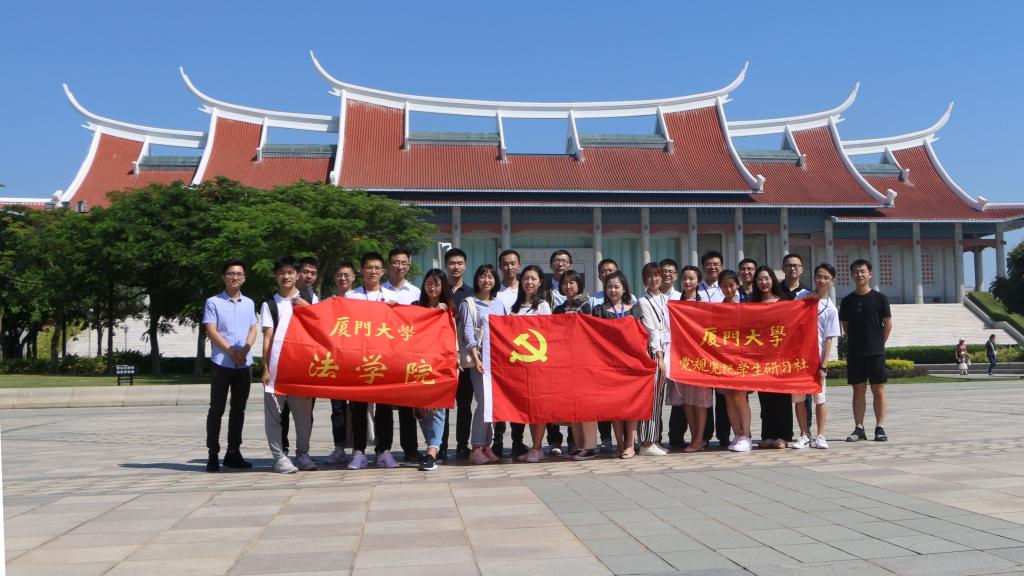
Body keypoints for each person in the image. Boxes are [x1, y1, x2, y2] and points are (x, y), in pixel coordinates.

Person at [260, 256, 315, 473]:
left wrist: (306, 307)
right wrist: (265, 368)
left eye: (290, 272)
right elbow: (267, 337)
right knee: (274, 416)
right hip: (277, 369)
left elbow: (319, 328)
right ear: (276, 276)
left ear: (297, 275)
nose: (286, 276)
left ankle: (303, 454)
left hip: (301, 369)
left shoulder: (309, 299)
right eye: (282, 272)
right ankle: (279, 457)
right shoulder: (270, 305)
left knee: (303, 417)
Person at [345, 252, 401, 469]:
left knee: (384, 408)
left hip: (384, 359)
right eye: (369, 267)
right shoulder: (351, 296)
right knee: (359, 407)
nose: (373, 271)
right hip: (358, 359)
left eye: (377, 268)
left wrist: (397, 311)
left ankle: (384, 451)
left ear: (383, 271)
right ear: (361, 270)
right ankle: (359, 452)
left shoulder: (391, 297)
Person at [203, 259, 259, 472]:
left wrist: (244, 350)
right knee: (216, 408)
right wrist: (231, 351)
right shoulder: (213, 302)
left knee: (238, 409)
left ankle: (233, 453)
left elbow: (253, 329)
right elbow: (212, 330)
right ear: (223, 277)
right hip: (222, 363)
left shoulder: (249, 303)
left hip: (244, 364)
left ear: (244, 278)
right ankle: (213, 453)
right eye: (231, 274)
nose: (235, 277)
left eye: (239, 274)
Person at [839, 259, 892, 443]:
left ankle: (880, 427)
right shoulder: (847, 301)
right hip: (855, 352)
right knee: (858, 390)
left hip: (875, 352)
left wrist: (878, 343)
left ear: (870, 274)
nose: (859, 274)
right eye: (856, 271)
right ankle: (859, 428)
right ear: (852, 275)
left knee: (878, 389)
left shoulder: (880, 298)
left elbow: (888, 324)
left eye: (862, 271)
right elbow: (846, 326)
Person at [592, 271, 642, 458]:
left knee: (631, 405)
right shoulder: (599, 310)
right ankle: (619, 444)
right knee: (616, 405)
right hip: (609, 364)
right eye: (609, 287)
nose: (613, 290)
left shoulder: (634, 309)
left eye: (616, 286)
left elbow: (641, 335)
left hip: (631, 364)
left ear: (624, 289)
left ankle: (630, 444)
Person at [791, 263, 840, 449]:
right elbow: (790, 316)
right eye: (819, 276)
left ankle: (820, 435)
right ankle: (803, 434)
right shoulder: (802, 296)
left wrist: (823, 366)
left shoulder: (831, 309)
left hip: (816, 360)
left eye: (826, 278)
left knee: (819, 398)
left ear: (832, 281)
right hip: (799, 358)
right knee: (799, 399)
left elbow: (829, 340)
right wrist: (807, 299)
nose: (822, 280)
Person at [462, 264, 507, 465]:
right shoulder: (469, 303)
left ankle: (487, 445)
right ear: (477, 279)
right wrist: (477, 358)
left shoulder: (499, 304)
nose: (487, 280)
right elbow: (468, 334)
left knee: (492, 404)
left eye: (490, 276)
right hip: (480, 361)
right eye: (483, 276)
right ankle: (476, 447)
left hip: (498, 361)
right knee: (483, 403)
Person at [382, 248, 423, 464]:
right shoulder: (380, 292)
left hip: (408, 355)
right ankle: (383, 449)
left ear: (408, 265)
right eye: (395, 262)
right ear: (389, 265)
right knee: (384, 405)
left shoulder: (415, 292)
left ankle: (411, 449)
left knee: (408, 405)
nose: (399, 267)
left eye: (404, 263)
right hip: (385, 354)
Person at [511, 265, 554, 462]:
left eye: (533, 279)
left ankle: (537, 447)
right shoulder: (515, 307)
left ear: (540, 282)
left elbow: (548, 333)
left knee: (539, 407)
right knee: (528, 407)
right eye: (526, 278)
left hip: (538, 365)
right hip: (520, 365)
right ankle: (535, 447)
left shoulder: (542, 306)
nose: (529, 282)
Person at [280, 256, 321, 457]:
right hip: (285, 360)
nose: (309, 276)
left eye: (313, 273)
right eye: (305, 272)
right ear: (297, 274)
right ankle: (282, 450)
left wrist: (307, 306)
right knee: (282, 411)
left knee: (306, 411)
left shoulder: (314, 299)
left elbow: (320, 324)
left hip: (307, 364)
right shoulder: (282, 297)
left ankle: (303, 451)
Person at [554, 270, 597, 460]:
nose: (568, 286)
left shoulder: (585, 306)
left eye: (572, 282)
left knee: (586, 404)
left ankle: (590, 446)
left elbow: (590, 332)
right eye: (565, 283)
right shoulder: (558, 309)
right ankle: (579, 445)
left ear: (579, 285)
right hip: (565, 362)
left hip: (583, 361)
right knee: (573, 406)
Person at [415, 269, 455, 471]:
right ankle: (432, 445)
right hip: (417, 365)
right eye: (429, 283)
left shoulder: (449, 310)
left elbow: (454, 337)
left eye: (437, 284)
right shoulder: (415, 307)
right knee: (420, 410)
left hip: (441, 365)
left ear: (443, 287)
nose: (433, 288)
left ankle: (432, 450)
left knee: (438, 408)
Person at [752, 266, 793, 449]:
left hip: (781, 357)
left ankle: (783, 435)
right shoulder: (753, 304)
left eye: (767, 278)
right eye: (760, 279)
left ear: (773, 280)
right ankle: (768, 435)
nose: (764, 282)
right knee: (765, 398)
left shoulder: (784, 301)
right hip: (761, 358)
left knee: (782, 398)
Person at [492, 252, 528, 459]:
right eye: (505, 264)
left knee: (519, 398)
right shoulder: (495, 291)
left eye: (513, 263)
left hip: (521, 353)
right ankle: (497, 440)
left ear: (519, 265)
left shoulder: (525, 289)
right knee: (499, 398)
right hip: (499, 353)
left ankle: (518, 440)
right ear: (500, 266)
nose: (509, 267)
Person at [676, 265, 713, 453]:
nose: (687, 282)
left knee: (700, 400)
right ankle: (694, 438)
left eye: (691, 278)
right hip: (682, 357)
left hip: (700, 357)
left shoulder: (704, 303)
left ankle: (700, 438)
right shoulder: (675, 303)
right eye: (684, 278)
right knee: (687, 400)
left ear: (698, 282)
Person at [323, 260, 356, 466]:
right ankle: (339, 448)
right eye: (339, 275)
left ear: (353, 277)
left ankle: (359, 448)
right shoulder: (328, 302)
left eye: (346, 275)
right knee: (337, 409)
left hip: (357, 362)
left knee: (359, 408)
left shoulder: (361, 300)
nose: (343, 278)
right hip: (335, 362)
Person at [718, 270, 753, 452]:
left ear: (738, 285)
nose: (728, 289)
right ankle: (737, 433)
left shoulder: (746, 305)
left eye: (731, 285)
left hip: (743, 359)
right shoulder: (718, 308)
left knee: (740, 396)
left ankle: (746, 435)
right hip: (724, 360)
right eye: (724, 286)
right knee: (729, 398)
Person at [443, 248, 473, 460]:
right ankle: (441, 445)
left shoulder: (471, 293)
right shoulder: (437, 290)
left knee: (465, 405)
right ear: (446, 265)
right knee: (441, 405)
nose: (456, 267)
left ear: (465, 266)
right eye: (452, 263)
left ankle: (463, 444)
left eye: (460, 263)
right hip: (442, 358)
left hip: (464, 359)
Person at [637, 262, 669, 456]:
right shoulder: (643, 301)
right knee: (651, 397)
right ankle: (646, 442)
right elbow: (652, 330)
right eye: (649, 276)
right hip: (654, 352)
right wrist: (659, 357)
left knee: (658, 399)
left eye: (657, 275)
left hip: (667, 349)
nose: (654, 279)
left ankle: (654, 439)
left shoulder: (666, 298)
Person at [590, 258, 620, 452]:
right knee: (603, 399)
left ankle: (626, 439)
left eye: (611, 270)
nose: (608, 274)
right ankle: (606, 438)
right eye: (604, 271)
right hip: (602, 358)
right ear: (599, 275)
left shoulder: (631, 302)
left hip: (623, 360)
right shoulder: (594, 302)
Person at [700, 251, 728, 448]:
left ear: (722, 266)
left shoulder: (727, 289)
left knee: (724, 394)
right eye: (708, 264)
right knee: (704, 395)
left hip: (723, 349)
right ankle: (705, 435)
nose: (712, 267)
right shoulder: (696, 290)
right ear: (703, 268)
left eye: (716, 264)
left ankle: (725, 435)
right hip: (702, 348)